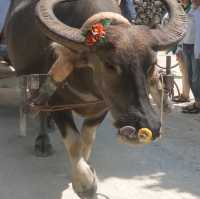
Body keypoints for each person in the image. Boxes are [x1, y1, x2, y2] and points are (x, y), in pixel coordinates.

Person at [181, 0, 200, 113]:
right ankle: (197, 101)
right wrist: (179, 47)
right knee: (190, 77)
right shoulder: (190, 9)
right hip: (186, 46)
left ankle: (198, 103)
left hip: (196, 48)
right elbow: (184, 29)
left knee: (196, 78)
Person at [172, 0, 192, 103]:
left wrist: (179, 47)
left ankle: (185, 95)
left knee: (186, 72)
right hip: (183, 46)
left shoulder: (190, 10)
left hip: (186, 46)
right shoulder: (184, 9)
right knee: (184, 71)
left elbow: (185, 31)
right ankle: (184, 94)